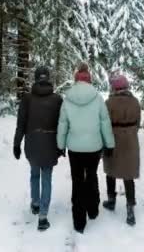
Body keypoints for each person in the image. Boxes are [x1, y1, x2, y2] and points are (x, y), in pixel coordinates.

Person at [57, 62, 115, 233]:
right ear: (89, 80)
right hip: (94, 148)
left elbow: (63, 124)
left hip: (75, 148)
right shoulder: (97, 98)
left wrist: (60, 145)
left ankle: (79, 221)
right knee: (91, 176)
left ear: (76, 80)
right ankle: (93, 209)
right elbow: (105, 123)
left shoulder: (68, 99)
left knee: (77, 182)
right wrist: (109, 144)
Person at [13, 66, 63, 232]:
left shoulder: (27, 98)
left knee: (35, 173)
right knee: (46, 177)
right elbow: (62, 125)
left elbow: (21, 123)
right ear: (48, 78)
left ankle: (35, 203)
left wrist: (16, 144)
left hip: (32, 144)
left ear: (36, 79)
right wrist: (62, 146)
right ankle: (42, 216)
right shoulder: (57, 99)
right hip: (50, 143)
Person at [102, 72, 141, 226]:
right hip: (130, 140)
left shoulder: (108, 103)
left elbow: (104, 124)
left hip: (113, 139)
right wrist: (130, 132)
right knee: (128, 174)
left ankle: (111, 200)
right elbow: (138, 123)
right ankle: (130, 208)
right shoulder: (135, 102)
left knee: (110, 172)